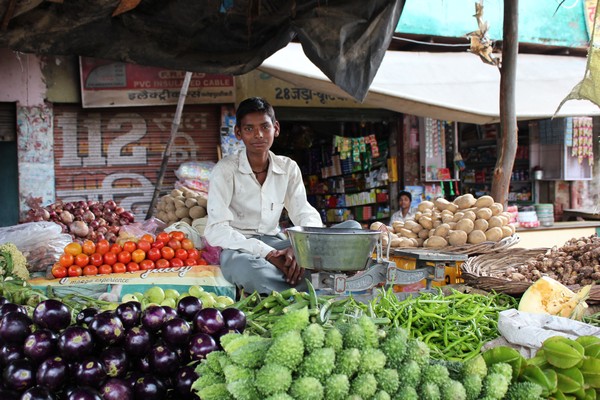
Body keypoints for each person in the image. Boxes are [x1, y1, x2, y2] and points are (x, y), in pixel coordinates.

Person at [205, 97, 359, 295]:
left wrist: (300, 246)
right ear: (238, 133)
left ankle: (291, 275)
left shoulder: (287, 167)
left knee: (352, 230)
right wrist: (267, 254)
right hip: (240, 248)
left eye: (264, 127)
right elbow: (216, 230)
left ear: (276, 128)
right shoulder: (225, 170)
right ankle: (311, 280)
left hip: (277, 243)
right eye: (249, 129)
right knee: (252, 271)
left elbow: (302, 210)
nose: (258, 135)